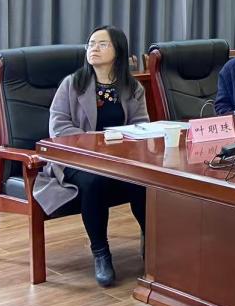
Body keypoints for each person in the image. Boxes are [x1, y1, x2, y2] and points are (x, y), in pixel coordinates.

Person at [33, 25, 148, 287]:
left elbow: (141, 126)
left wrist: (120, 144)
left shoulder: (132, 88)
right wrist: (99, 141)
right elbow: (59, 127)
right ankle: (101, 252)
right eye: (91, 44)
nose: (94, 49)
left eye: (102, 44)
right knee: (93, 181)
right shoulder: (73, 84)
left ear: (118, 51)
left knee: (145, 181)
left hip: (118, 161)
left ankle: (152, 242)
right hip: (75, 161)